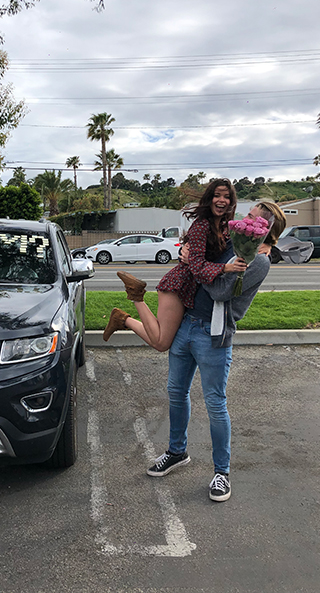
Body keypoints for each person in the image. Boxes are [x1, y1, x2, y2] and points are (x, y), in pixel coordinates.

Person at [146, 200, 286, 502]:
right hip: (187, 324)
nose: (243, 221)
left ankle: (221, 473)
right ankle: (176, 451)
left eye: (252, 219)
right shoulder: (230, 243)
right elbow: (199, 257)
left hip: (214, 334)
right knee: (176, 392)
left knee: (215, 403)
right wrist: (190, 257)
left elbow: (222, 291)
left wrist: (197, 268)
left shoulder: (258, 260)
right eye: (247, 216)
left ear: (266, 229)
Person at [103, 179, 247, 350]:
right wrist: (226, 267)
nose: (221, 200)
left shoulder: (224, 227)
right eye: (216, 196)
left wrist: (264, 245)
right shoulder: (202, 225)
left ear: (232, 201)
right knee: (161, 342)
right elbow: (197, 266)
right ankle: (132, 301)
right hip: (178, 285)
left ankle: (123, 318)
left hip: (191, 287)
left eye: (226, 197)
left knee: (162, 335)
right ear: (209, 199)